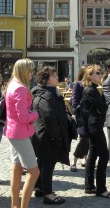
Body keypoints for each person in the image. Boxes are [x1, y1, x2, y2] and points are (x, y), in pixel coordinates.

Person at [31, 66, 69, 205]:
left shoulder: (49, 92)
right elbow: (49, 118)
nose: (57, 77)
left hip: (44, 135)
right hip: (47, 137)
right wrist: (57, 136)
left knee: (42, 163)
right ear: (46, 79)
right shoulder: (46, 95)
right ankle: (48, 194)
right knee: (48, 164)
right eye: (54, 76)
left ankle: (40, 188)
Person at [5, 58, 40, 208]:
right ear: (24, 71)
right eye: (30, 70)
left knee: (17, 169)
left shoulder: (12, 84)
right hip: (20, 133)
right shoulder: (20, 88)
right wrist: (36, 115)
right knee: (34, 171)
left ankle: (14, 205)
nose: (32, 73)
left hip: (13, 131)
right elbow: (24, 116)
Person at [80, 65, 110, 198]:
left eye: (100, 73)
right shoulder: (90, 90)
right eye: (98, 73)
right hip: (94, 125)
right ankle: (101, 188)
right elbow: (103, 107)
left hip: (94, 124)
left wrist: (101, 107)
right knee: (104, 155)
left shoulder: (92, 89)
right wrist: (102, 107)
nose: (101, 75)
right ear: (90, 76)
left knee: (93, 154)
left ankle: (89, 186)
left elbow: (101, 107)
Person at [70, 65, 88, 172]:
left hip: (90, 116)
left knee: (88, 138)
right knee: (83, 137)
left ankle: (85, 159)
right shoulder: (78, 85)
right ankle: (74, 161)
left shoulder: (91, 84)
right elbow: (75, 102)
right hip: (81, 115)